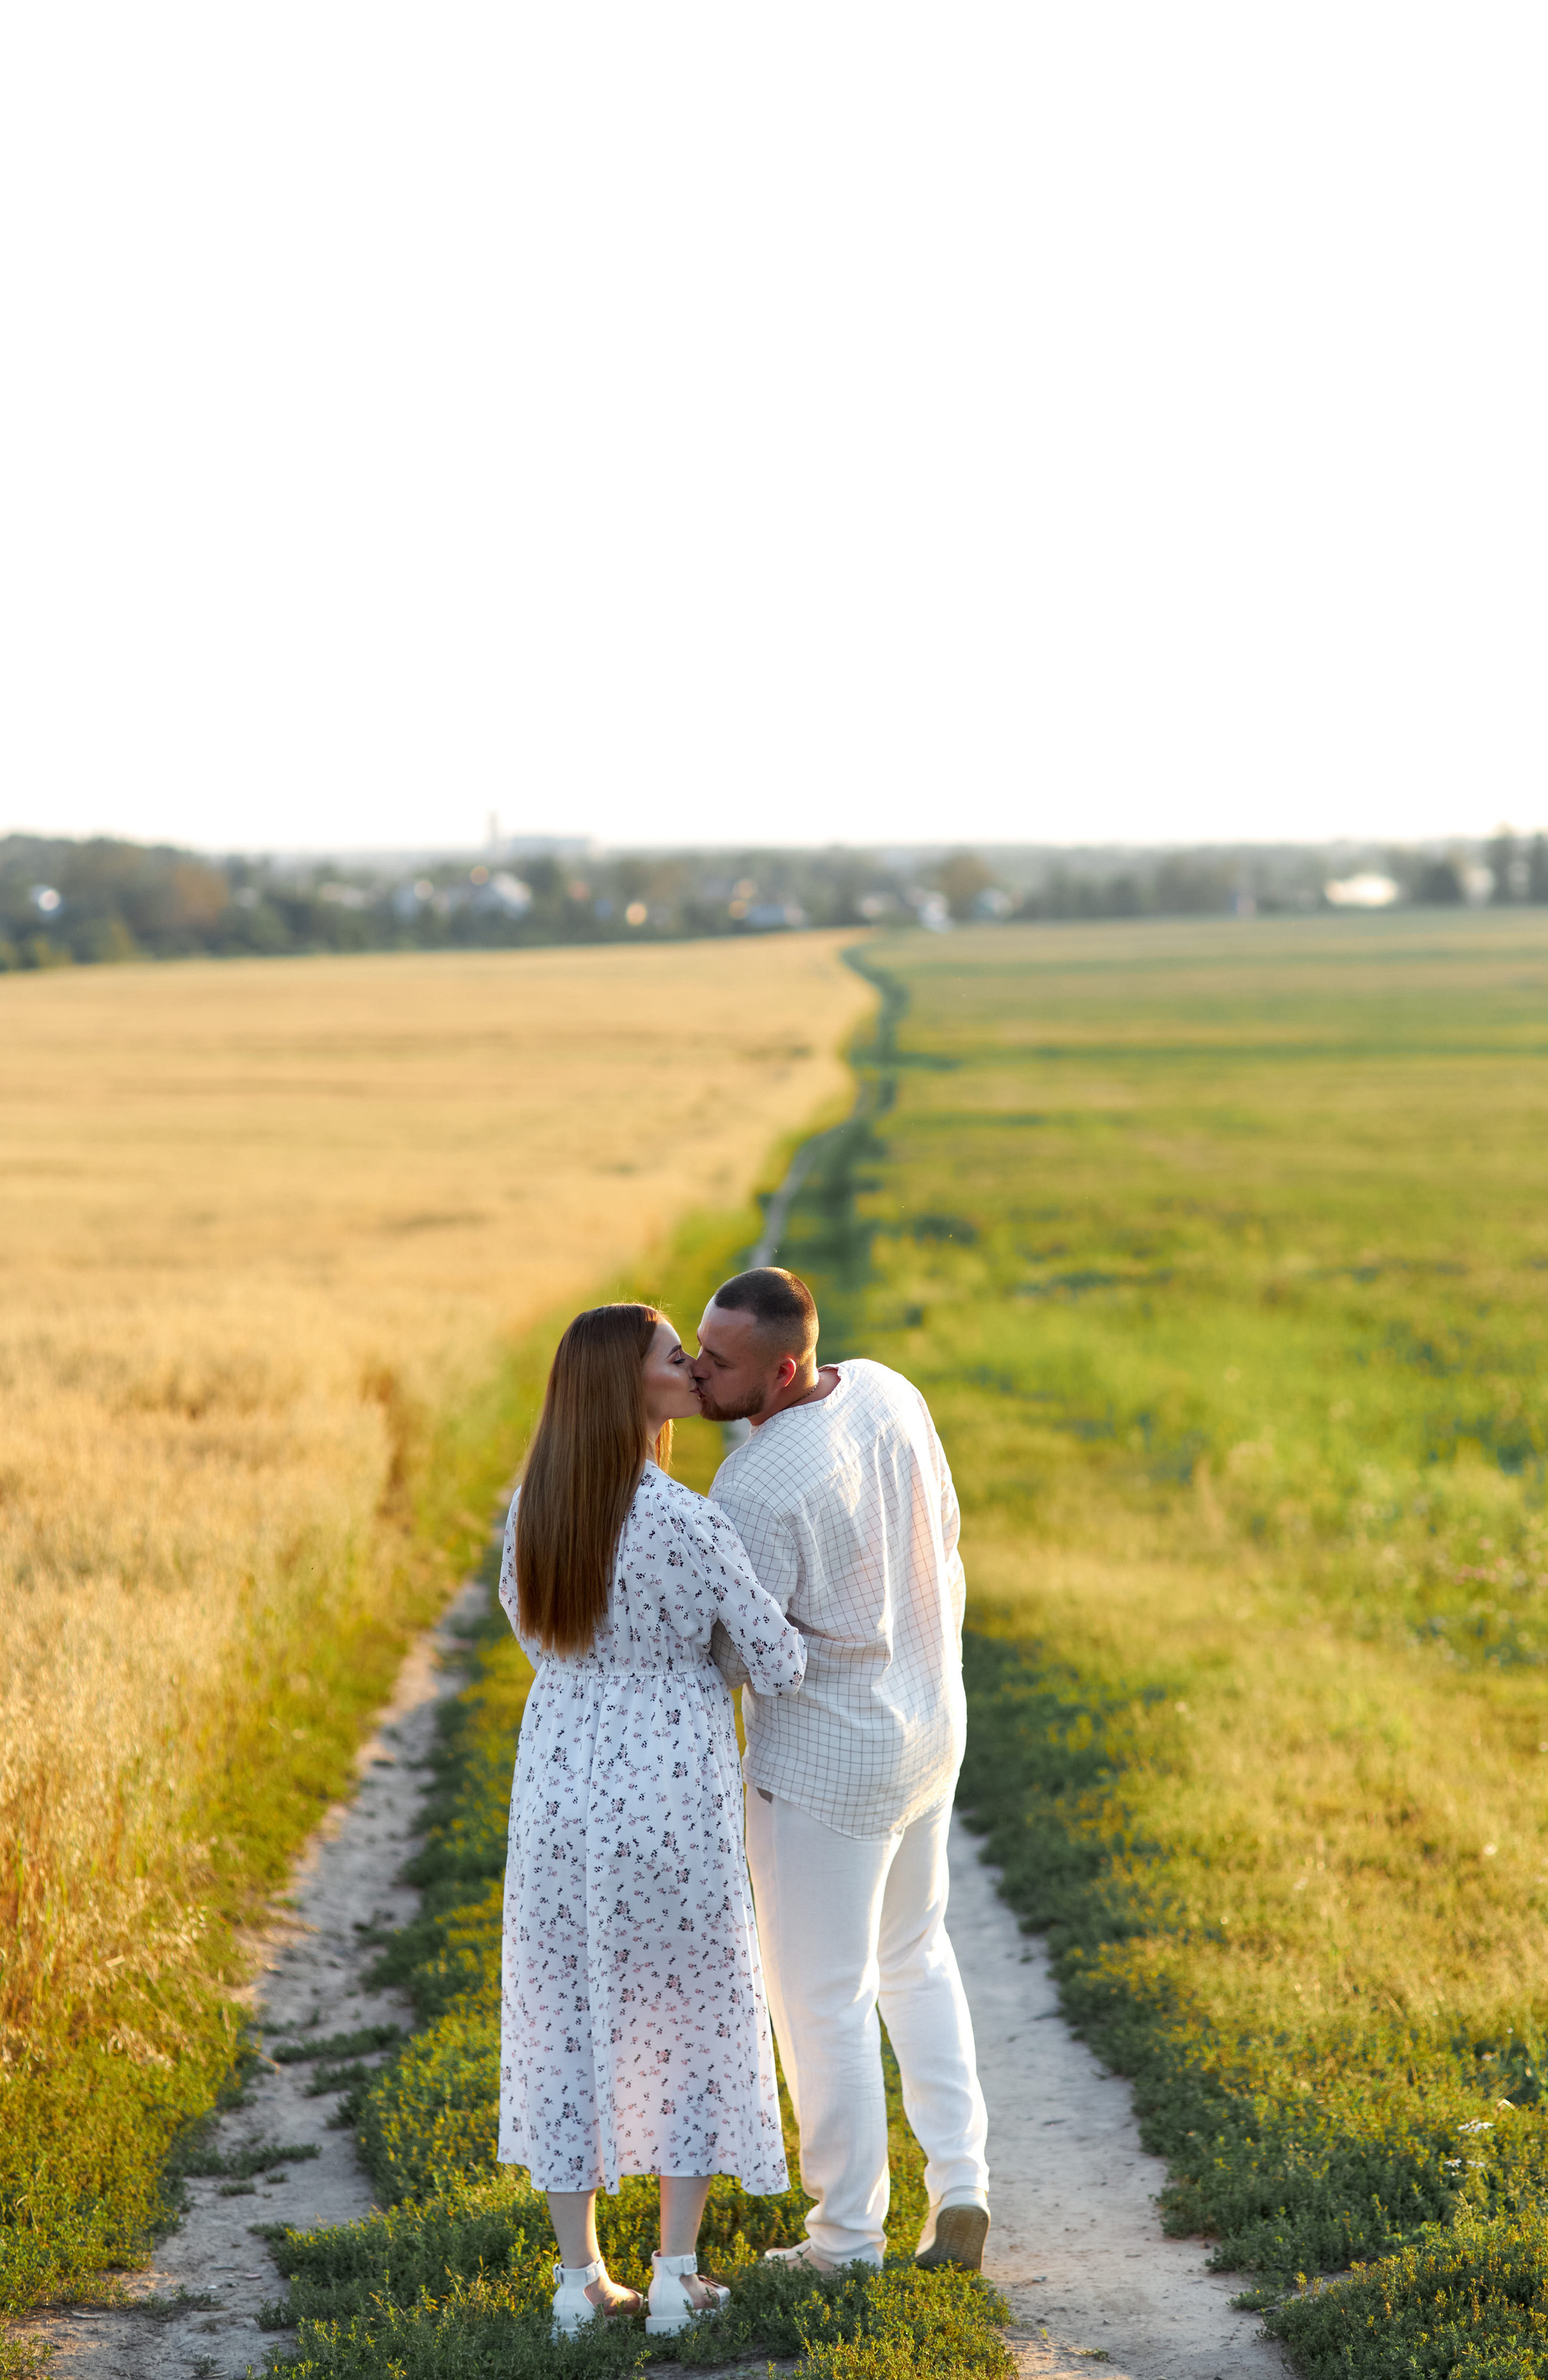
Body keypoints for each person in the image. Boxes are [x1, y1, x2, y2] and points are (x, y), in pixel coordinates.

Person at [497, 1301, 806, 2341]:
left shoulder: (534, 1509)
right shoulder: (688, 1521)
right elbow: (778, 1659)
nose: (691, 1365)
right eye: (673, 1357)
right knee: (688, 2012)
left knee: (565, 2009)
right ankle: (675, 2276)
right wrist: (698, 1662)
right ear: (636, 1390)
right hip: (670, 1783)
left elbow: (528, 1624)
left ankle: (576, 2282)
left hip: (556, 1783)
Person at [692, 1266, 990, 2274]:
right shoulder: (889, 1389)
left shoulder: (756, 1485)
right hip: (929, 1724)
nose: (697, 1370)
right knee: (918, 1955)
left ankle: (847, 2239)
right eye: (696, 1345)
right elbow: (946, 1538)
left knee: (822, 1999)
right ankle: (962, 2184)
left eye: (720, 1361)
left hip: (825, 1766)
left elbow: (737, 1655)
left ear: (781, 1370)